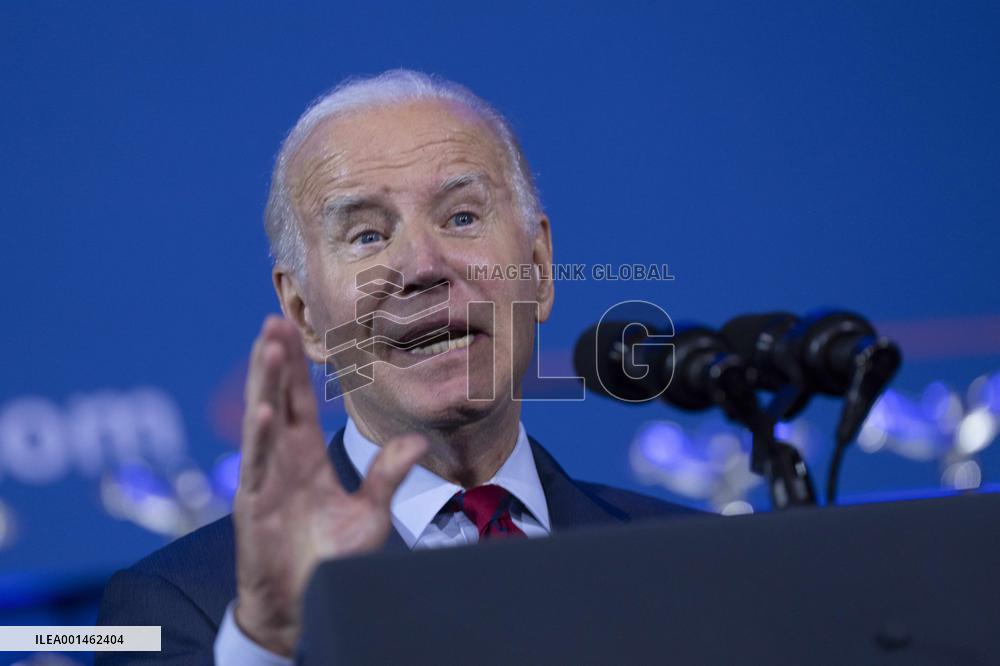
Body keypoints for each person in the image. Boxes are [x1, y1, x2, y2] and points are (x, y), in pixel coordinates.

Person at [96, 69, 701, 665]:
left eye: (462, 217)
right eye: (366, 236)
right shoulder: (173, 608)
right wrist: (266, 644)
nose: (422, 266)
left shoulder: (694, 563)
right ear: (305, 315)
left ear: (540, 269)